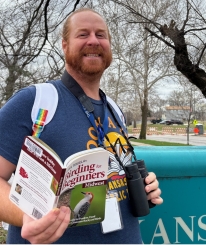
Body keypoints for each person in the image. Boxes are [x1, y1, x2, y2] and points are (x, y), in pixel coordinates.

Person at [0, 8, 163, 244]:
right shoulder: (34, 101)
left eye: (101, 35)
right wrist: (27, 216)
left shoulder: (115, 111)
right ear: (64, 45)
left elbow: (114, 178)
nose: (94, 41)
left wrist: (145, 188)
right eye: (83, 34)